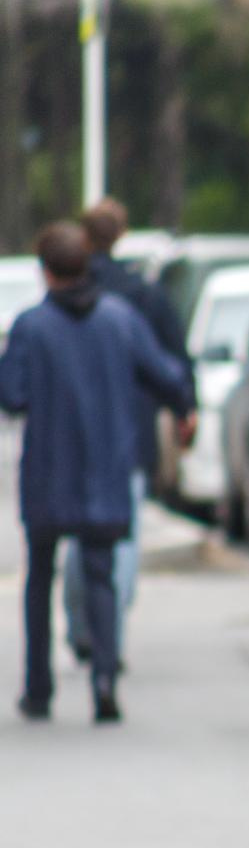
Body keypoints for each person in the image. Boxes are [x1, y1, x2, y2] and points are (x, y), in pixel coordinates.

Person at [0, 221, 191, 723]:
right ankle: (105, 678)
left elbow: (12, 396)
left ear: (45, 271)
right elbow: (166, 374)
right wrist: (185, 408)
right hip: (105, 469)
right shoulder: (119, 320)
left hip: (47, 471)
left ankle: (38, 687)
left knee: (40, 576)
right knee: (101, 573)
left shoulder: (31, 327)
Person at [65, 198, 197, 669]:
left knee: (78, 540)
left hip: (72, 437)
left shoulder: (66, 293)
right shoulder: (142, 298)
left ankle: (81, 625)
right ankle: (109, 631)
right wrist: (186, 408)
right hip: (128, 436)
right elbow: (171, 364)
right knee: (122, 537)